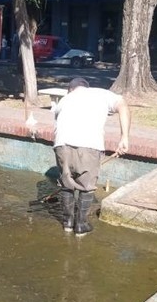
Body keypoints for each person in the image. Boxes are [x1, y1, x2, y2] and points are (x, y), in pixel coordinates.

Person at [52, 77, 131, 235]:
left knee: (67, 184)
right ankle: (81, 225)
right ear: (86, 87)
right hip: (89, 144)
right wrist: (124, 137)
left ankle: (67, 223)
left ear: (70, 89)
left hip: (61, 144)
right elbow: (123, 106)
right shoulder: (101, 93)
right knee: (86, 186)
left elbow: (58, 124)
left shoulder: (63, 100)